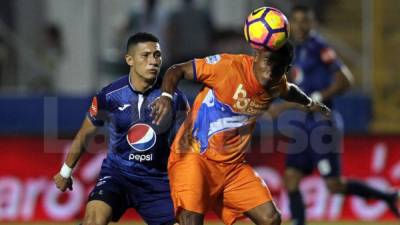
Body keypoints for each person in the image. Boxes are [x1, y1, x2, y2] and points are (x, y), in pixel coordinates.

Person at [150, 32, 331, 224]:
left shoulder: (277, 84)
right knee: (191, 221)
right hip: (194, 156)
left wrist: (310, 102)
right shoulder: (226, 67)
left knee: (271, 219)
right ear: (256, 55)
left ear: (286, 69)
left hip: (232, 167)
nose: (271, 71)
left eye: (279, 68)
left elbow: (290, 91)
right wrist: (166, 97)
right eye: (268, 61)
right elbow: (177, 70)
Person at [268, 6, 400, 225]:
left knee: (334, 185)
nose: (301, 26)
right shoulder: (295, 50)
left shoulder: (320, 48)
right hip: (304, 124)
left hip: (322, 124)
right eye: (297, 21)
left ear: (314, 24)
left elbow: (346, 80)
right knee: (291, 178)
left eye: (305, 21)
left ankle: (387, 196)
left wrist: (317, 96)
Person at [53, 32, 189, 225]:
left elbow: (189, 145)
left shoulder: (174, 99)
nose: (153, 61)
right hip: (118, 175)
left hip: (158, 182)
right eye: (146, 55)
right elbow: (85, 135)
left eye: (157, 55)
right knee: (94, 221)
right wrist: (65, 172)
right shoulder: (110, 96)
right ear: (129, 59)